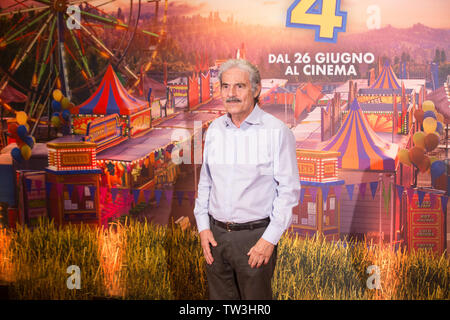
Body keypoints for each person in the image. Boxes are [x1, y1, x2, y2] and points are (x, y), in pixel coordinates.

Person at [193, 59, 300, 300]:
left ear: (256, 89)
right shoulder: (214, 130)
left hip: (254, 238)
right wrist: (203, 227)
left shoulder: (277, 132)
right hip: (216, 237)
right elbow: (206, 182)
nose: (231, 94)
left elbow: (288, 192)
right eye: (225, 86)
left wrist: (268, 240)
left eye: (239, 86)